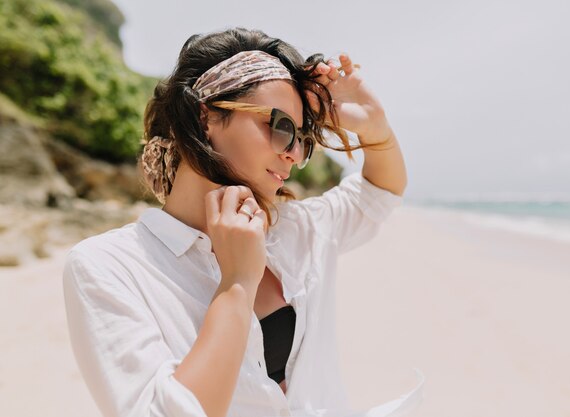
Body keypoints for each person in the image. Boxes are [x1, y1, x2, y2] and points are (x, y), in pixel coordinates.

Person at [62, 27, 424, 417]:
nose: (292, 153)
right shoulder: (110, 266)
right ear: (207, 116)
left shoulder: (294, 229)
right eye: (282, 126)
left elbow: (379, 194)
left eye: (301, 139)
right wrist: (236, 284)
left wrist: (376, 127)